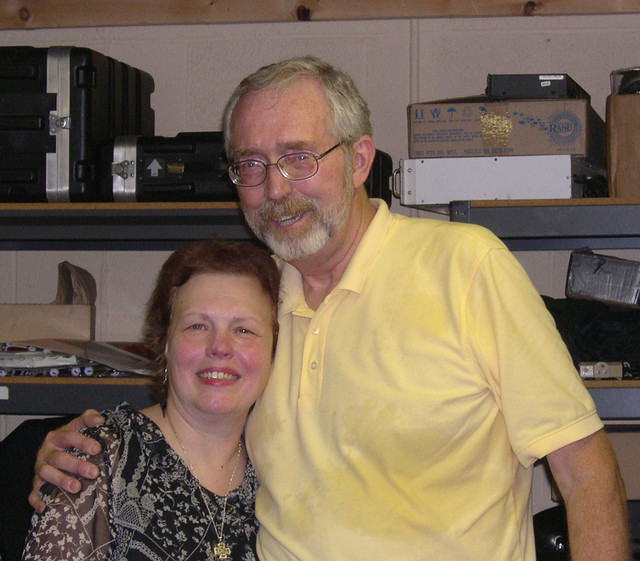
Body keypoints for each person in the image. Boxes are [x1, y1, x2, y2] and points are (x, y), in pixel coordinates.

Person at [30, 56, 630, 561]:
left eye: (299, 157)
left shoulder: (465, 266)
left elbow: (585, 471)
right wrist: (88, 457)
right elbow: (194, 439)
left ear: (360, 159)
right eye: (252, 165)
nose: (276, 189)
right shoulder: (256, 304)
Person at [23, 239, 280, 561]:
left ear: (273, 350)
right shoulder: (96, 461)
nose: (220, 347)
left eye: (244, 330)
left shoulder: (282, 470)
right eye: (197, 326)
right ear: (166, 345)